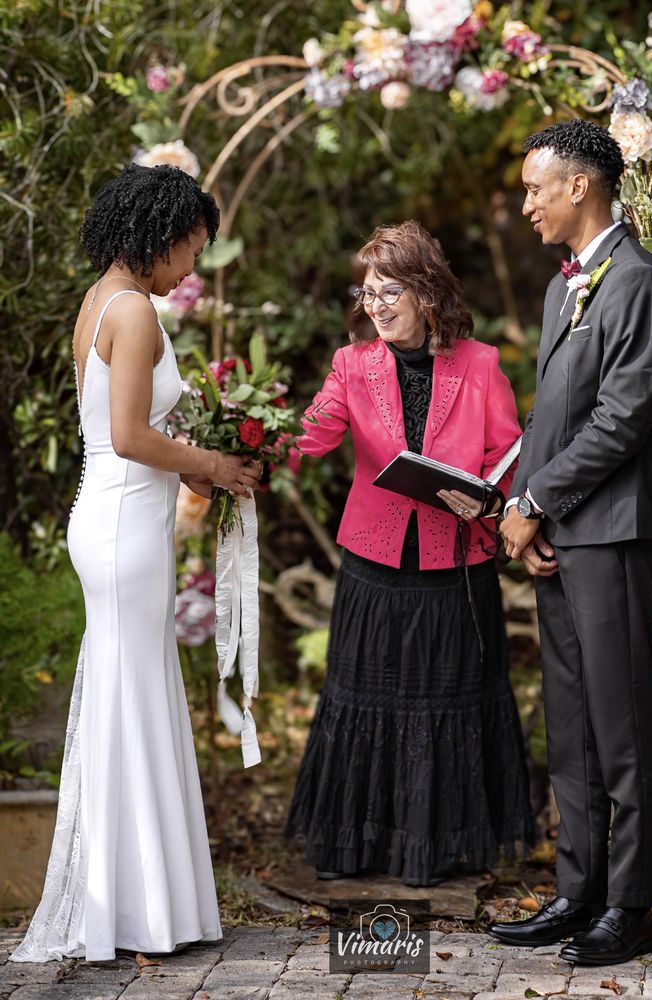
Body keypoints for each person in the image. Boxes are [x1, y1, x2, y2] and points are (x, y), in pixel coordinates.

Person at [11, 163, 261, 963]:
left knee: (133, 698)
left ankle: (141, 904)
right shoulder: (134, 312)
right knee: (131, 702)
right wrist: (213, 464)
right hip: (122, 523)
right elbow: (127, 435)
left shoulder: (102, 299)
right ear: (160, 235)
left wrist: (190, 461)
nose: (190, 268)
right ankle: (132, 911)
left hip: (115, 517)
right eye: (190, 249)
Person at [489, 119, 652, 964]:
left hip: (611, 532)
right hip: (564, 531)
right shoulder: (560, 288)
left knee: (619, 720)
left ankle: (631, 906)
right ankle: (579, 892)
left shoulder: (636, 279)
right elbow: (554, 418)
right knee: (569, 723)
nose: (526, 204)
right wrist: (527, 510)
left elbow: (622, 418)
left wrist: (537, 500)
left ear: (579, 186)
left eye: (534, 188)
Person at [285, 220, 534, 887]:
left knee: (449, 701)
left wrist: (487, 500)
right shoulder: (351, 365)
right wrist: (242, 445)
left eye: (389, 290)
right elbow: (306, 440)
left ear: (426, 292)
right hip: (373, 566)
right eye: (367, 292)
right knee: (365, 699)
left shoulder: (480, 364)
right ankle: (361, 845)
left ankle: (441, 846)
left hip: (457, 566)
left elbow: (508, 458)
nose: (375, 304)